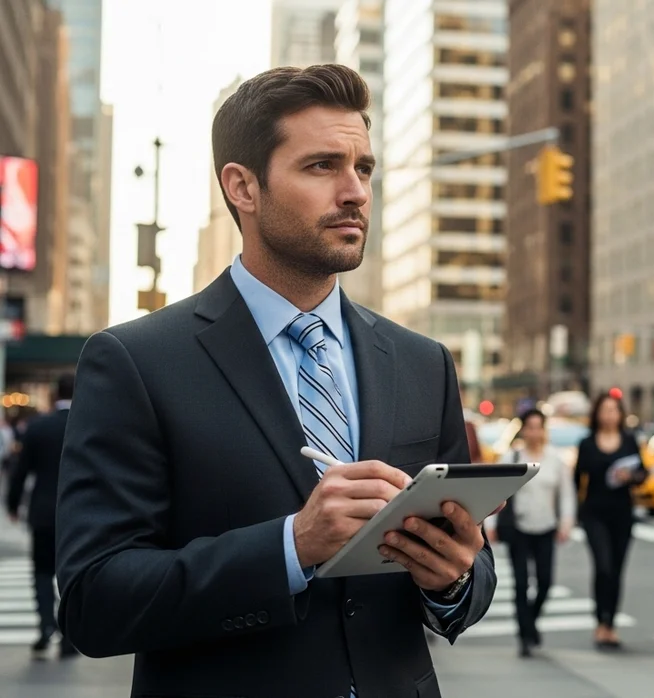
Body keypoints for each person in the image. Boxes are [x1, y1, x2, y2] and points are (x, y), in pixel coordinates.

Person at [53, 64, 495, 698]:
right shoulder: (135, 361)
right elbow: (95, 602)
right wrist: (292, 546)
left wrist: (451, 580)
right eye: (322, 166)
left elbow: (473, 578)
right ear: (243, 187)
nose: (356, 192)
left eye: (363, 168)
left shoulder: (422, 361)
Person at [484, 408, 576, 657]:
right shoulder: (511, 458)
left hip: (546, 527)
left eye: (539, 426)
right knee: (521, 584)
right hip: (518, 529)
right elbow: (496, 493)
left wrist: (566, 522)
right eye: (530, 426)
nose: (535, 432)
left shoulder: (556, 459)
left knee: (545, 582)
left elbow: (566, 494)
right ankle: (525, 635)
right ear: (523, 429)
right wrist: (490, 526)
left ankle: (531, 622)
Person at [5, 374, 78, 659]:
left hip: (43, 511)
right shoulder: (88, 425)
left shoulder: (38, 427)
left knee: (42, 571)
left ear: (53, 395)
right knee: (70, 573)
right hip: (78, 515)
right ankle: (68, 635)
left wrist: (12, 505)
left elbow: (20, 472)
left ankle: (45, 625)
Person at [575, 392, 648, 648]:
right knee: (603, 566)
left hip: (622, 513)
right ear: (597, 413)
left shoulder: (629, 441)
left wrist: (632, 476)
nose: (609, 415)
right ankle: (599, 621)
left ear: (621, 414)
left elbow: (643, 473)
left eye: (614, 410)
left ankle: (610, 624)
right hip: (594, 513)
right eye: (605, 410)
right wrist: (575, 513)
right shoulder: (587, 443)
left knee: (617, 570)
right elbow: (577, 479)